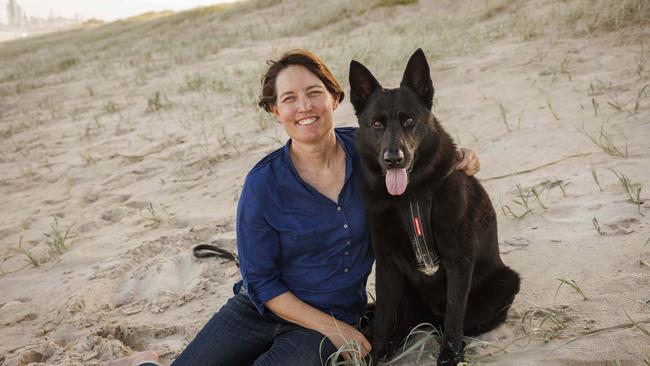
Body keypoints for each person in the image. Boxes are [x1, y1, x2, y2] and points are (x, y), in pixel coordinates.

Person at [101, 49, 480, 366]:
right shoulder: (263, 183)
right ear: (275, 112)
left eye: (314, 93)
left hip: (327, 320)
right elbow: (261, 283)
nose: (304, 107)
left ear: (335, 98)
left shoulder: (369, 153)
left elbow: (423, 146)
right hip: (258, 311)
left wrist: (462, 157)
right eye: (289, 99)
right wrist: (335, 331)